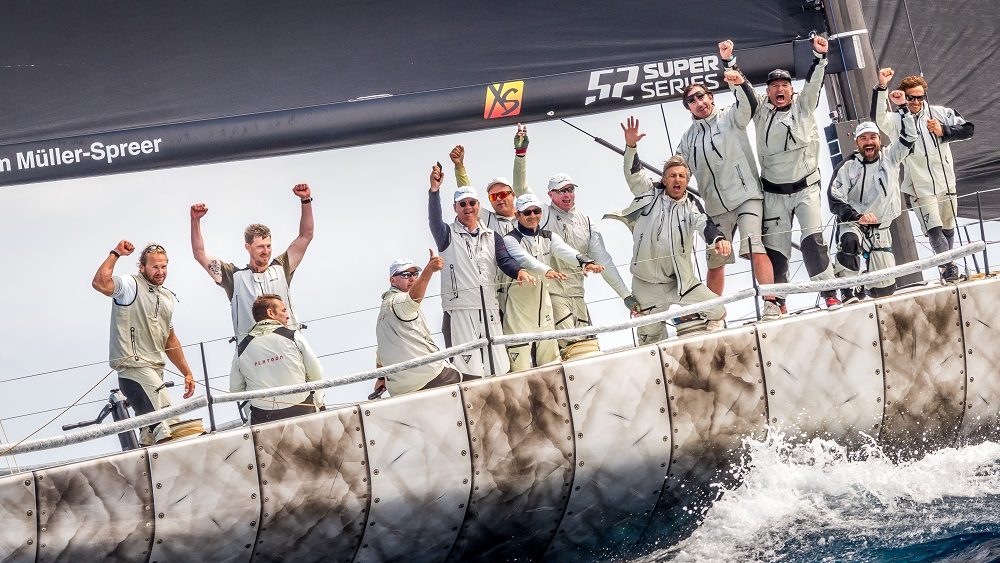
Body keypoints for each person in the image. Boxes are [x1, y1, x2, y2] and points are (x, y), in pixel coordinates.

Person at [507, 124, 637, 359]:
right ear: (550, 195)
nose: (567, 195)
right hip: (553, 295)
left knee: (589, 347)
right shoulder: (542, 214)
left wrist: (625, 295)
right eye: (561, 191)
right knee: (571, 349)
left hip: (578, 294)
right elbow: (521, 190)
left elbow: (604, 261)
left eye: (570, 190)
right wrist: (521, 155)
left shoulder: (587, 222)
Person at [730, 35, 840, 310]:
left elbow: (814, 82)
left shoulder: (804, 105)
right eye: (774, 86)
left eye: (784, 85)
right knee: (776, 250)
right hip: (774, 193)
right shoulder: (760, 111)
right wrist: (729, 62)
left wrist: (819, 56)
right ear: (768, 91)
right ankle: (778, 301)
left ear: (791, 89)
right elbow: (741, 88)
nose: (780, 89)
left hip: (805, 189)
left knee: (813, 240)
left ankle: (829, 293)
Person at [675, 40, 780, 320]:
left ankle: (772, 303)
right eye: (692, 100)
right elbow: (677, 174)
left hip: (746, 197)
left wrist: (730, 64)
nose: (698, 102)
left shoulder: (731, 118)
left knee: (754, 247)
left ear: (711, 96)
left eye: (701, 96)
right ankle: (713, 315)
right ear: (688, 107)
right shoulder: (687, 140)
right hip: (715, 207)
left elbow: (749, 101)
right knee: (715, 261)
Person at [614, 122, 732, 343]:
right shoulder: (648, 194)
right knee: (649, 336)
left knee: (718, 310)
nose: (677, 179)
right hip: (645, 283)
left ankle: (713, 338)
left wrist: (718, 239)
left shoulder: (691, 205)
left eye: (682, 176)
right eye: (672, 175)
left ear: (687, 181)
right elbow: (634, 174)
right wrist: (631, 147)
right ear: (664, 179)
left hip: (680, 282)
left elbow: (704, 223)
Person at [872, 67, 976, 281]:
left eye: (919, 97)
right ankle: (949, 268)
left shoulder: (940, 113)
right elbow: (878, 117)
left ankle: (946, 264)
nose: (916, 102)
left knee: (948, 227)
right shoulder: (896, 120)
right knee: (934, 229)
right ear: (904, 96)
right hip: (918, 186)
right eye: (911, 97)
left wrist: (944, 131)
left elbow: (968, 129)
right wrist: (882, 87)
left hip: (946, 182)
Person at [92, 240, 195, 445]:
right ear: (142, 267)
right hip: (135, 370)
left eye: (163, 266)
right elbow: (100, 283)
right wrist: (116, 253)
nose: (160, 271)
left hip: (155, 372)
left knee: (150, 437)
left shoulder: (166, 297)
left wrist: (187, 372)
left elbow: (170, 339)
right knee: (171, 428)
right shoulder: (130, 285)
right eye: (155, 267)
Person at [190, 183, 315, 340]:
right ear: (247, 247)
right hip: (253, 355)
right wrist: (195, 221)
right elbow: (199, 254)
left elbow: (306, 235)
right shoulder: (233, 277)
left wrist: (305, 200)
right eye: (260, 247)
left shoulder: (282, 267)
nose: (266, 251)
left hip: (287, 348)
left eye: (268, 246)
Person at [428, 165, 516, 378]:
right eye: (463, 204)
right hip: (460, 309)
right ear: (456, 208)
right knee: (469, 371)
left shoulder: (492, 236)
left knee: (500, 367)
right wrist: (434, 191)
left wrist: (520, 272)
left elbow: (504, 261)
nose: (468, 207)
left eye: (472, 203)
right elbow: (434, 220)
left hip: (489, 308)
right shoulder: (446, 234)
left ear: (478, 206)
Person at [500, 193, 603, 371]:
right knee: (520, 367)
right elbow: (524, 260)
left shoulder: (549, 236)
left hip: (545, 307)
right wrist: (547, 270)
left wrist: (586, 262)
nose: (533, 216)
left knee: (551, 363)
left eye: (536, 211)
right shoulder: (509, 239)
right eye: (527, 212)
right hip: (519, 310)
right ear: (517, 215)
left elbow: (565, 250)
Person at [828, 117, 917, 301]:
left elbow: (909, 137)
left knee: (883, 291)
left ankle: (863, 284)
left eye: (872, 137)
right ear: (857, 142)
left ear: (879, 140)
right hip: (854, 223)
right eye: (863, 138)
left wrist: (903, 111)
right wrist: (856, 216)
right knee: (849, 241)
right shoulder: (848, 166)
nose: (868, 142)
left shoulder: (891, 157)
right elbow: (834, 198)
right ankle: (847, 290)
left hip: (880, 227)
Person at [373, 254, 464, 397]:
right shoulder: (398, 302)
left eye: (415, 274)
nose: (412, 278)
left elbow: (381, 352)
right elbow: (413, 299)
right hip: (429, 378)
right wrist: (429, 270)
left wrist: (381, 378)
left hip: (399, 390)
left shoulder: (383, 312)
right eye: (405, 275)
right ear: (392, 280)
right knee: (475, 380)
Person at [229, 295, 325, 424]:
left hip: (264, 419)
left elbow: (235, 390)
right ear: (270, 313)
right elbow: (316, 374)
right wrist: (319, 404)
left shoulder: (241, 349)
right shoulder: (294, 336)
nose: (287, 316)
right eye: (284, 310)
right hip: (303, 411)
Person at [449, 145, 519, 314]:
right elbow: (468, 199)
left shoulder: (528, 216)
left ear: (513, 195)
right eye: (494, 197)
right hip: (500, 292)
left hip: (526, 287)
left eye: (503, 194)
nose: (499, 199)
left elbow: (522, 183)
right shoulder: (488, 220)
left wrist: (520, 153)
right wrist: (459, 167)